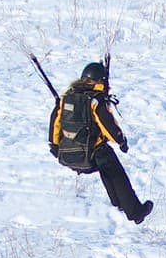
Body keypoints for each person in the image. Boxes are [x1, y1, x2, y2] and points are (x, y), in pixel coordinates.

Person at [48, 61, 154, 224]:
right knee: (115, 170)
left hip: (68, 154)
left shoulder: (67, 97)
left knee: (107, 164)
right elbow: (107, 124)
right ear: (100, 80)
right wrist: (120, 140)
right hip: (90, 154)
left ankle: (118, 203)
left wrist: (55, 146)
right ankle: (135, 212)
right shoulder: (95, 99)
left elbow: (55, 121)